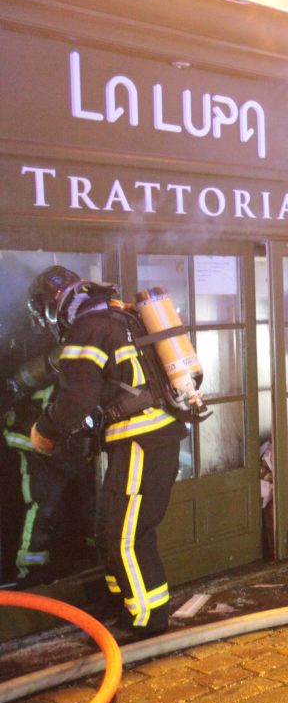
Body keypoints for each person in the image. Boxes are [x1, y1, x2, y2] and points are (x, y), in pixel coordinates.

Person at [27, 266, 187, 637]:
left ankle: (147, 618)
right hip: (149, 437)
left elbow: (77, 399)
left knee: (126, 535)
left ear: (52, 305)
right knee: (109, 528)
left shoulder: (86, 329)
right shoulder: (117, 317)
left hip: (141, 440)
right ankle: (123, 601)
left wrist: (45, 430)